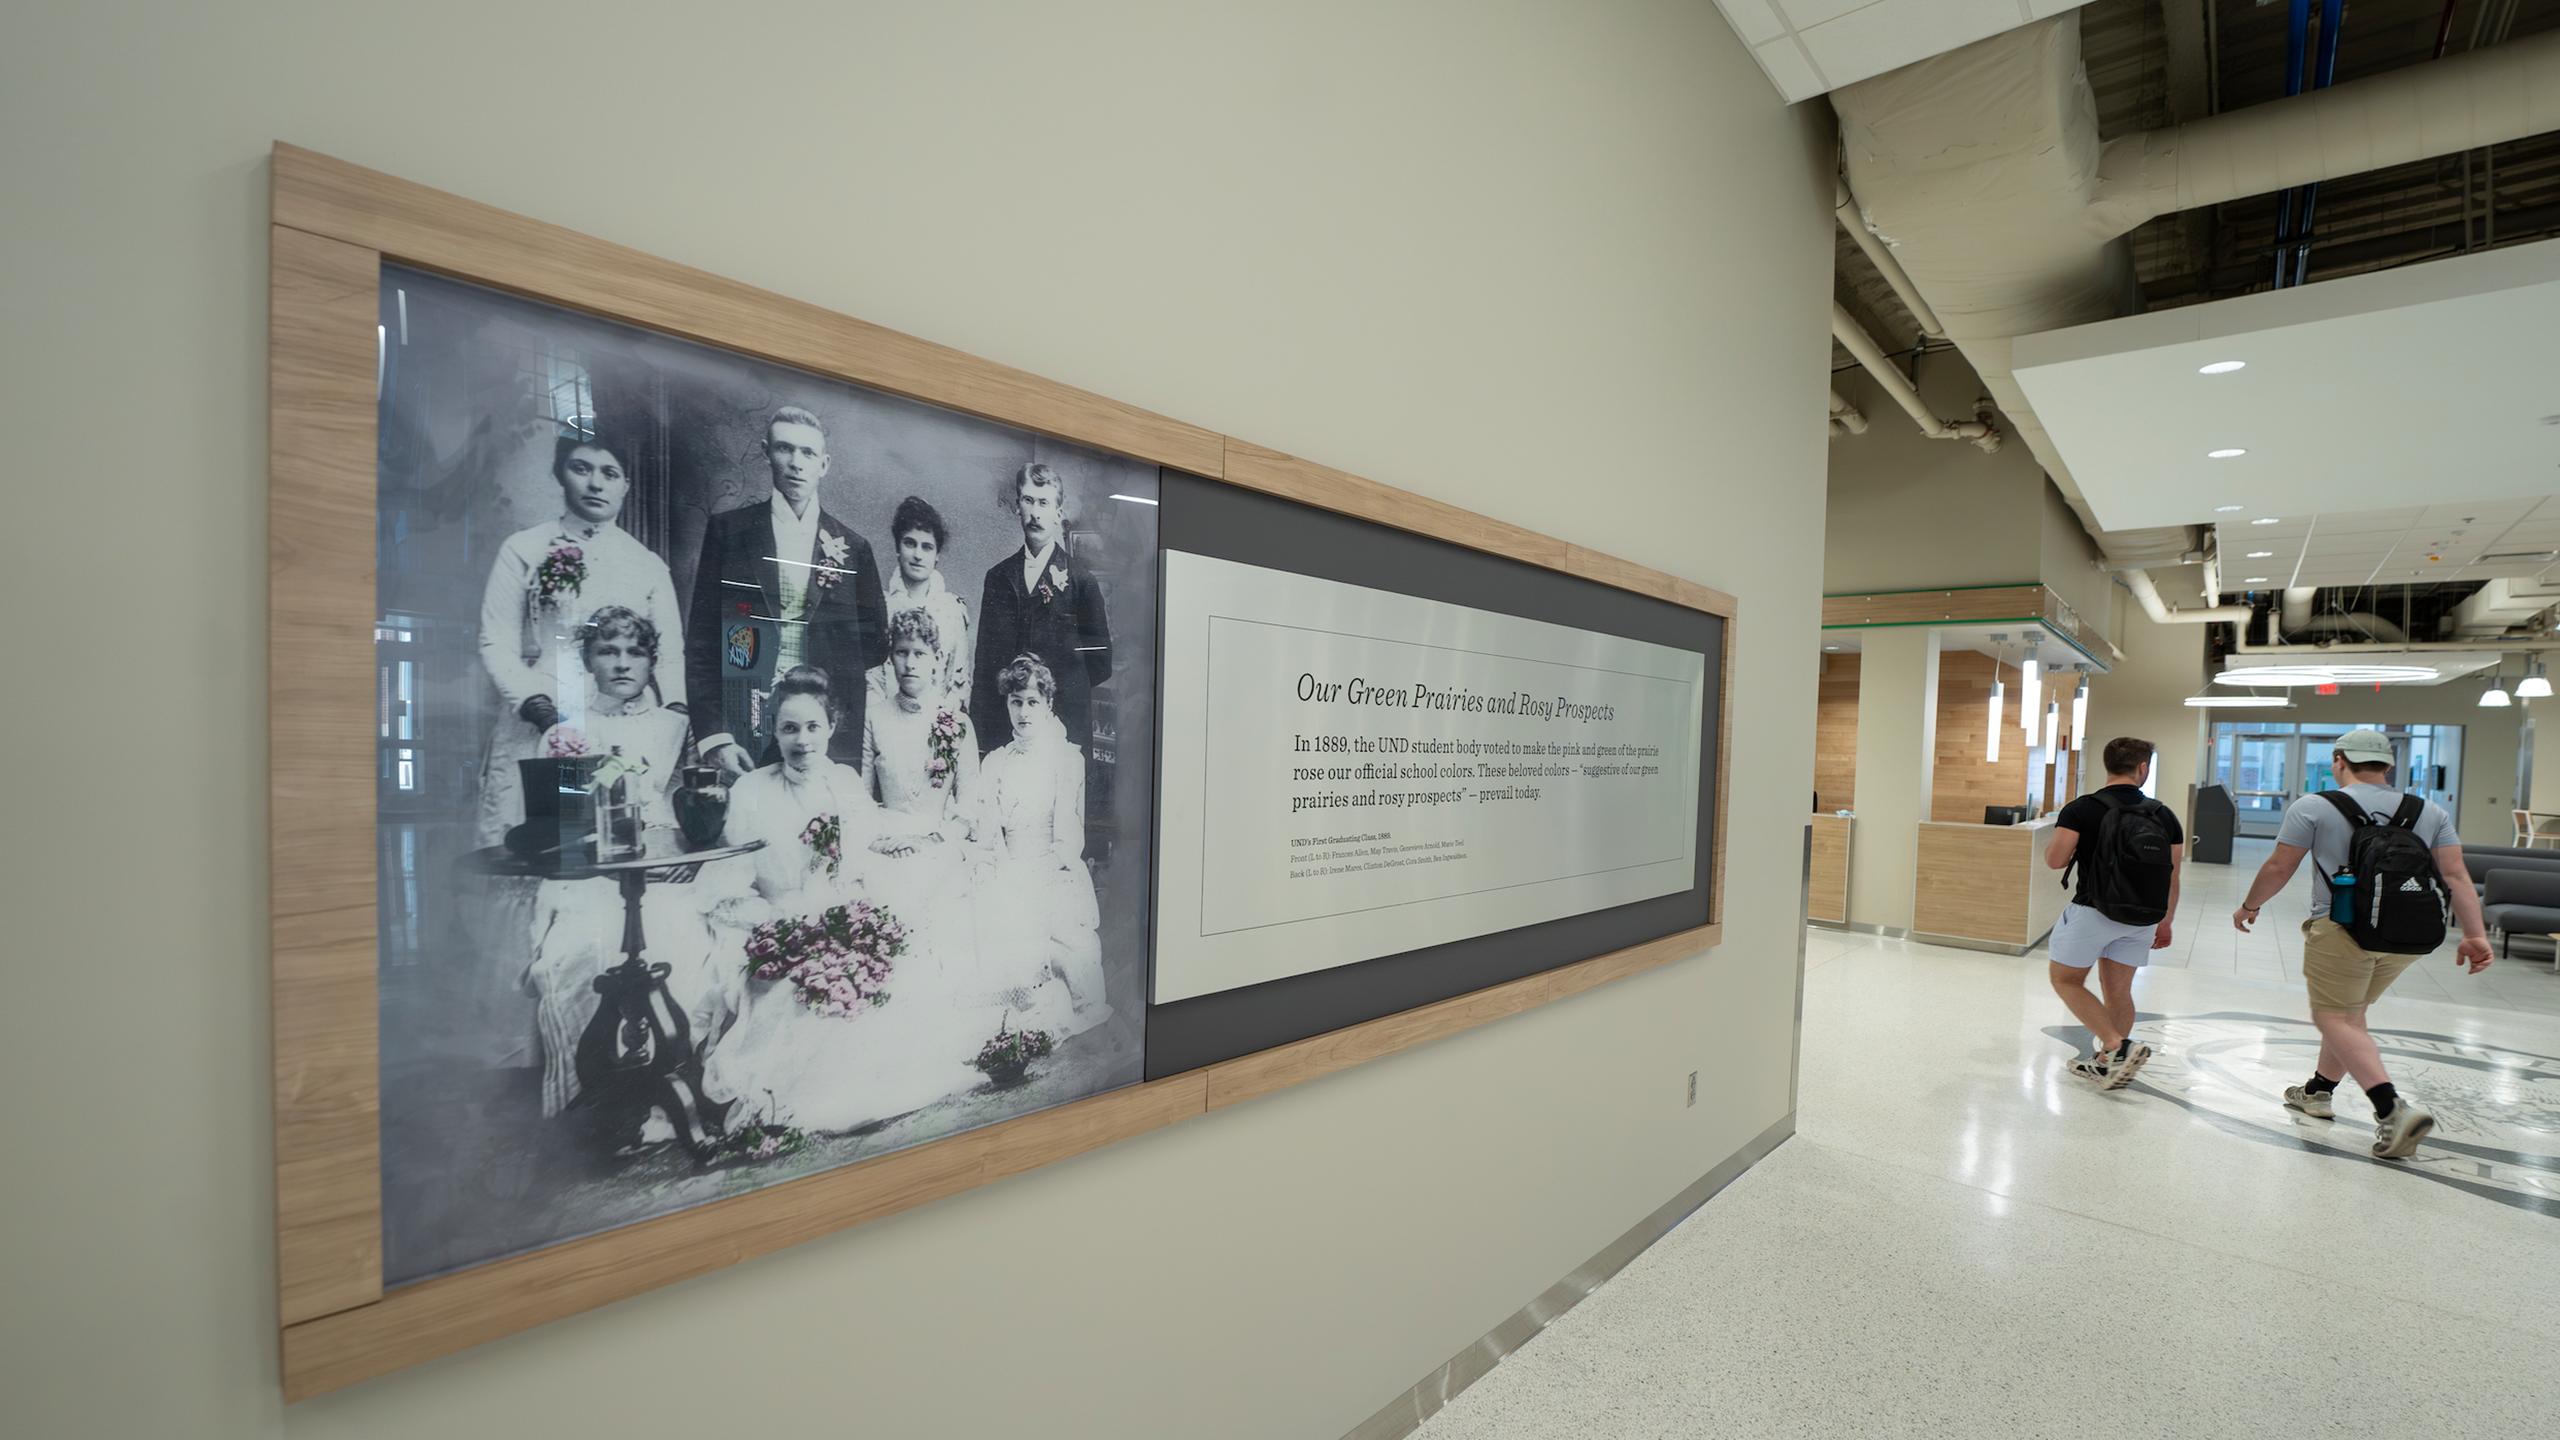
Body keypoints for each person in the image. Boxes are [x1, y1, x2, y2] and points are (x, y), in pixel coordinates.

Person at [701, 666, 984, 1133]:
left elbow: (868, 853)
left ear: (832, 727)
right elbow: (730, 882)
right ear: (773, 729)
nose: (802, 741)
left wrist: (868, 907)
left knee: (885, 984)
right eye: (789, 728)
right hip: (778, 925)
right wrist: (772, 926)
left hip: (838, 921)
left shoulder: (846, 783)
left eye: (814, 727)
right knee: (792, 995)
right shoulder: (750, 791)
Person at [2233, 728, 2493, 1158]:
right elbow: (2457, 876)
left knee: (2334, 1017)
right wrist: (2474, 934)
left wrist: (2250, 905)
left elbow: (2280, 866)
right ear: (2388, 766)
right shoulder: (2429, 811)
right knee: (2350, 1014)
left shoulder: (2314, 806)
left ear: (2339, 760)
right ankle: (2318, 1091)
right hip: (2408, 937)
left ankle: (2392, 1110)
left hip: (2342, 929)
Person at [520, 607, 727, 1121]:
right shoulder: (565, 734)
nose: (621, 663)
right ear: (588, 659)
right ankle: (600, 1094)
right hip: (591, 876)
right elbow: (558, 830)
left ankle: (667, 1086)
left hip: (664, 873)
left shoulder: (675, 727)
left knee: (682, 941)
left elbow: (697, 811)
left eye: (635, 652)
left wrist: (688, 858)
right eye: (608, 651)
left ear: (653, 662)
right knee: (582, 948)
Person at [474, 435, 689, 847]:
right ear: (560, 475)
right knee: (534, 842)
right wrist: (540, 710)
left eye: (610, 473)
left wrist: (671, 724)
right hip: (539, 713)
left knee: (614, 837)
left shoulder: (647, 565)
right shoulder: (524, 548)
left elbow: (669, 655)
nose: (595, 484)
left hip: (621, 722)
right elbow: (495, 642)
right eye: (581, 468)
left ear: (625, 484)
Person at [685, 406, 888, 778]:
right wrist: (716, 738)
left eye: (808, 453)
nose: (796, 463)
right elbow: (701, 645)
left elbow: (873, 649)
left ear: (824, 464)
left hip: (823, 738)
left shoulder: (853, 548)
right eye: (785, 449)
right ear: (766, 452)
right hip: (745, 727)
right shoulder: (729, 534)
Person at [972, 654, 1109, 1039]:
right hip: (1009, 869)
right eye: (1016, 702)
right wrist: (998, 874)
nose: (1024, 711)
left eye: (1033, 701)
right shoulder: (996, 763)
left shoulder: (1066, 759)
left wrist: (1039, 874)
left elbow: (1068, 837)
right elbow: (988, 836)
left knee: (1069, 952)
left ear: (1048, 703)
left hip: (1053, 872)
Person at [2042, 737, 2181, 1089]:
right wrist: (2165, 920)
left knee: (2066, 979)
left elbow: (2055, 860)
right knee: (2118, 989)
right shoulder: (2164, 814)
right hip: (2142, 917)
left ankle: (2115, 1045)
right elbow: (2173, 875)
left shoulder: (2081, 808)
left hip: (2093, 909)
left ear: (2107, 766)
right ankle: (2107, 1063)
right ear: (2142, 768)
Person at [970, 462, 1112, 756]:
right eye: (1028, 500)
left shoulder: (1081, 582)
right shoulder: (997, 578)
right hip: (1006, 727)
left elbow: (1099, 665)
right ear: (1018, 506)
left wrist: (1061, 694)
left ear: (1058, 513)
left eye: (1044, 503)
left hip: (1062, 726)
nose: (1035, 512)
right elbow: (984, 665)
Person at [866, 495, 973, 710]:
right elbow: (871, 676)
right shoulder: (881, 606)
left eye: (927, 547)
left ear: (936, 555)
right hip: (886, 718)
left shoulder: (952, 610)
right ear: (898, 548)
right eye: (909, 544)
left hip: (937, 722)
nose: (917, 555)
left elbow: (958, 679)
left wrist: (940, 724)